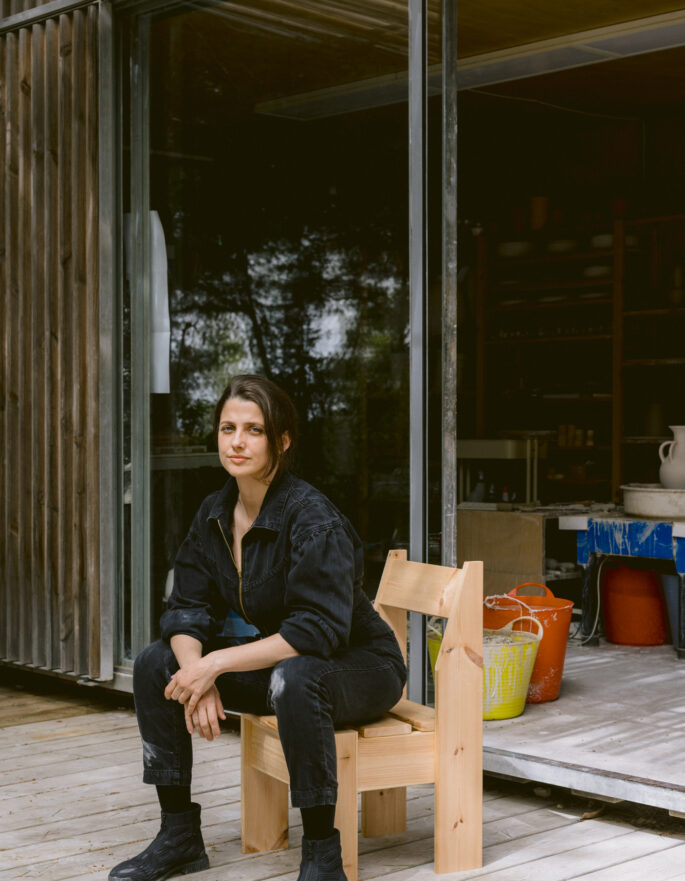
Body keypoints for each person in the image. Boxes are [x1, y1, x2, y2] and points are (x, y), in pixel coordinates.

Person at [110, 374, 407, 881]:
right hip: (288, 667)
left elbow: (315, 631)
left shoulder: (313, 518)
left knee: (296, 675)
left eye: (254, 430)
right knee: (154, 662)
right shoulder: (215, 512)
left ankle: (322, 854)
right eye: (228, 428)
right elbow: (185, 606)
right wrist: (193, 675)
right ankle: (179, 834)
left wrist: (216, 664)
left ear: (282, 441)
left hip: (361, 667)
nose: (238, 441)